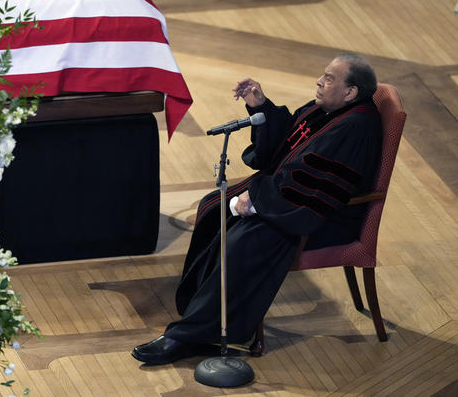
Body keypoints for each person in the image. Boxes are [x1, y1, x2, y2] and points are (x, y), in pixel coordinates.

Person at [131, 52, 382, 365]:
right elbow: (292, 140)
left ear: (350, 92)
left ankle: (191, 335)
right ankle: (203, 318)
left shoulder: (356, 128)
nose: (319, 81)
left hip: (324, 217)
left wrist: (258, 198)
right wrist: (260, 106)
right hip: (297, 201)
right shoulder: (331, 112)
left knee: (243, 241)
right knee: (216, 208)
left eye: (330, 78)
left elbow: (316, 183)